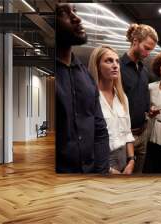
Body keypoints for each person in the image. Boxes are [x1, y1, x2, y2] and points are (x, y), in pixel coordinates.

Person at [55, 3, 109, 173]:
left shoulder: (85, 75)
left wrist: (101, 170)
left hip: (91, 172)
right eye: (63, 13)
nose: (76, 18)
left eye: (75, 11)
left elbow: (99, 128)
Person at [88, 46, 135, 175]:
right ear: (97, 66)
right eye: (109, 61)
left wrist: (131, 160)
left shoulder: (122, 97)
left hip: (124, 158)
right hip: (102, 161)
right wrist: (107, 169)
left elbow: (127, 132)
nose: (115, 65)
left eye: (117, 61)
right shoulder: (91, 97)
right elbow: (88, 140)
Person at [120, 23, 158, 173]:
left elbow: (139, 98)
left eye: (151, 50)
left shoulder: (143, 70)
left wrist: (150, 109)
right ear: (135, 41)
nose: (148, 53)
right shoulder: (118, 67)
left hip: (142, 133)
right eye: (146, 48)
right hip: (124, 138)